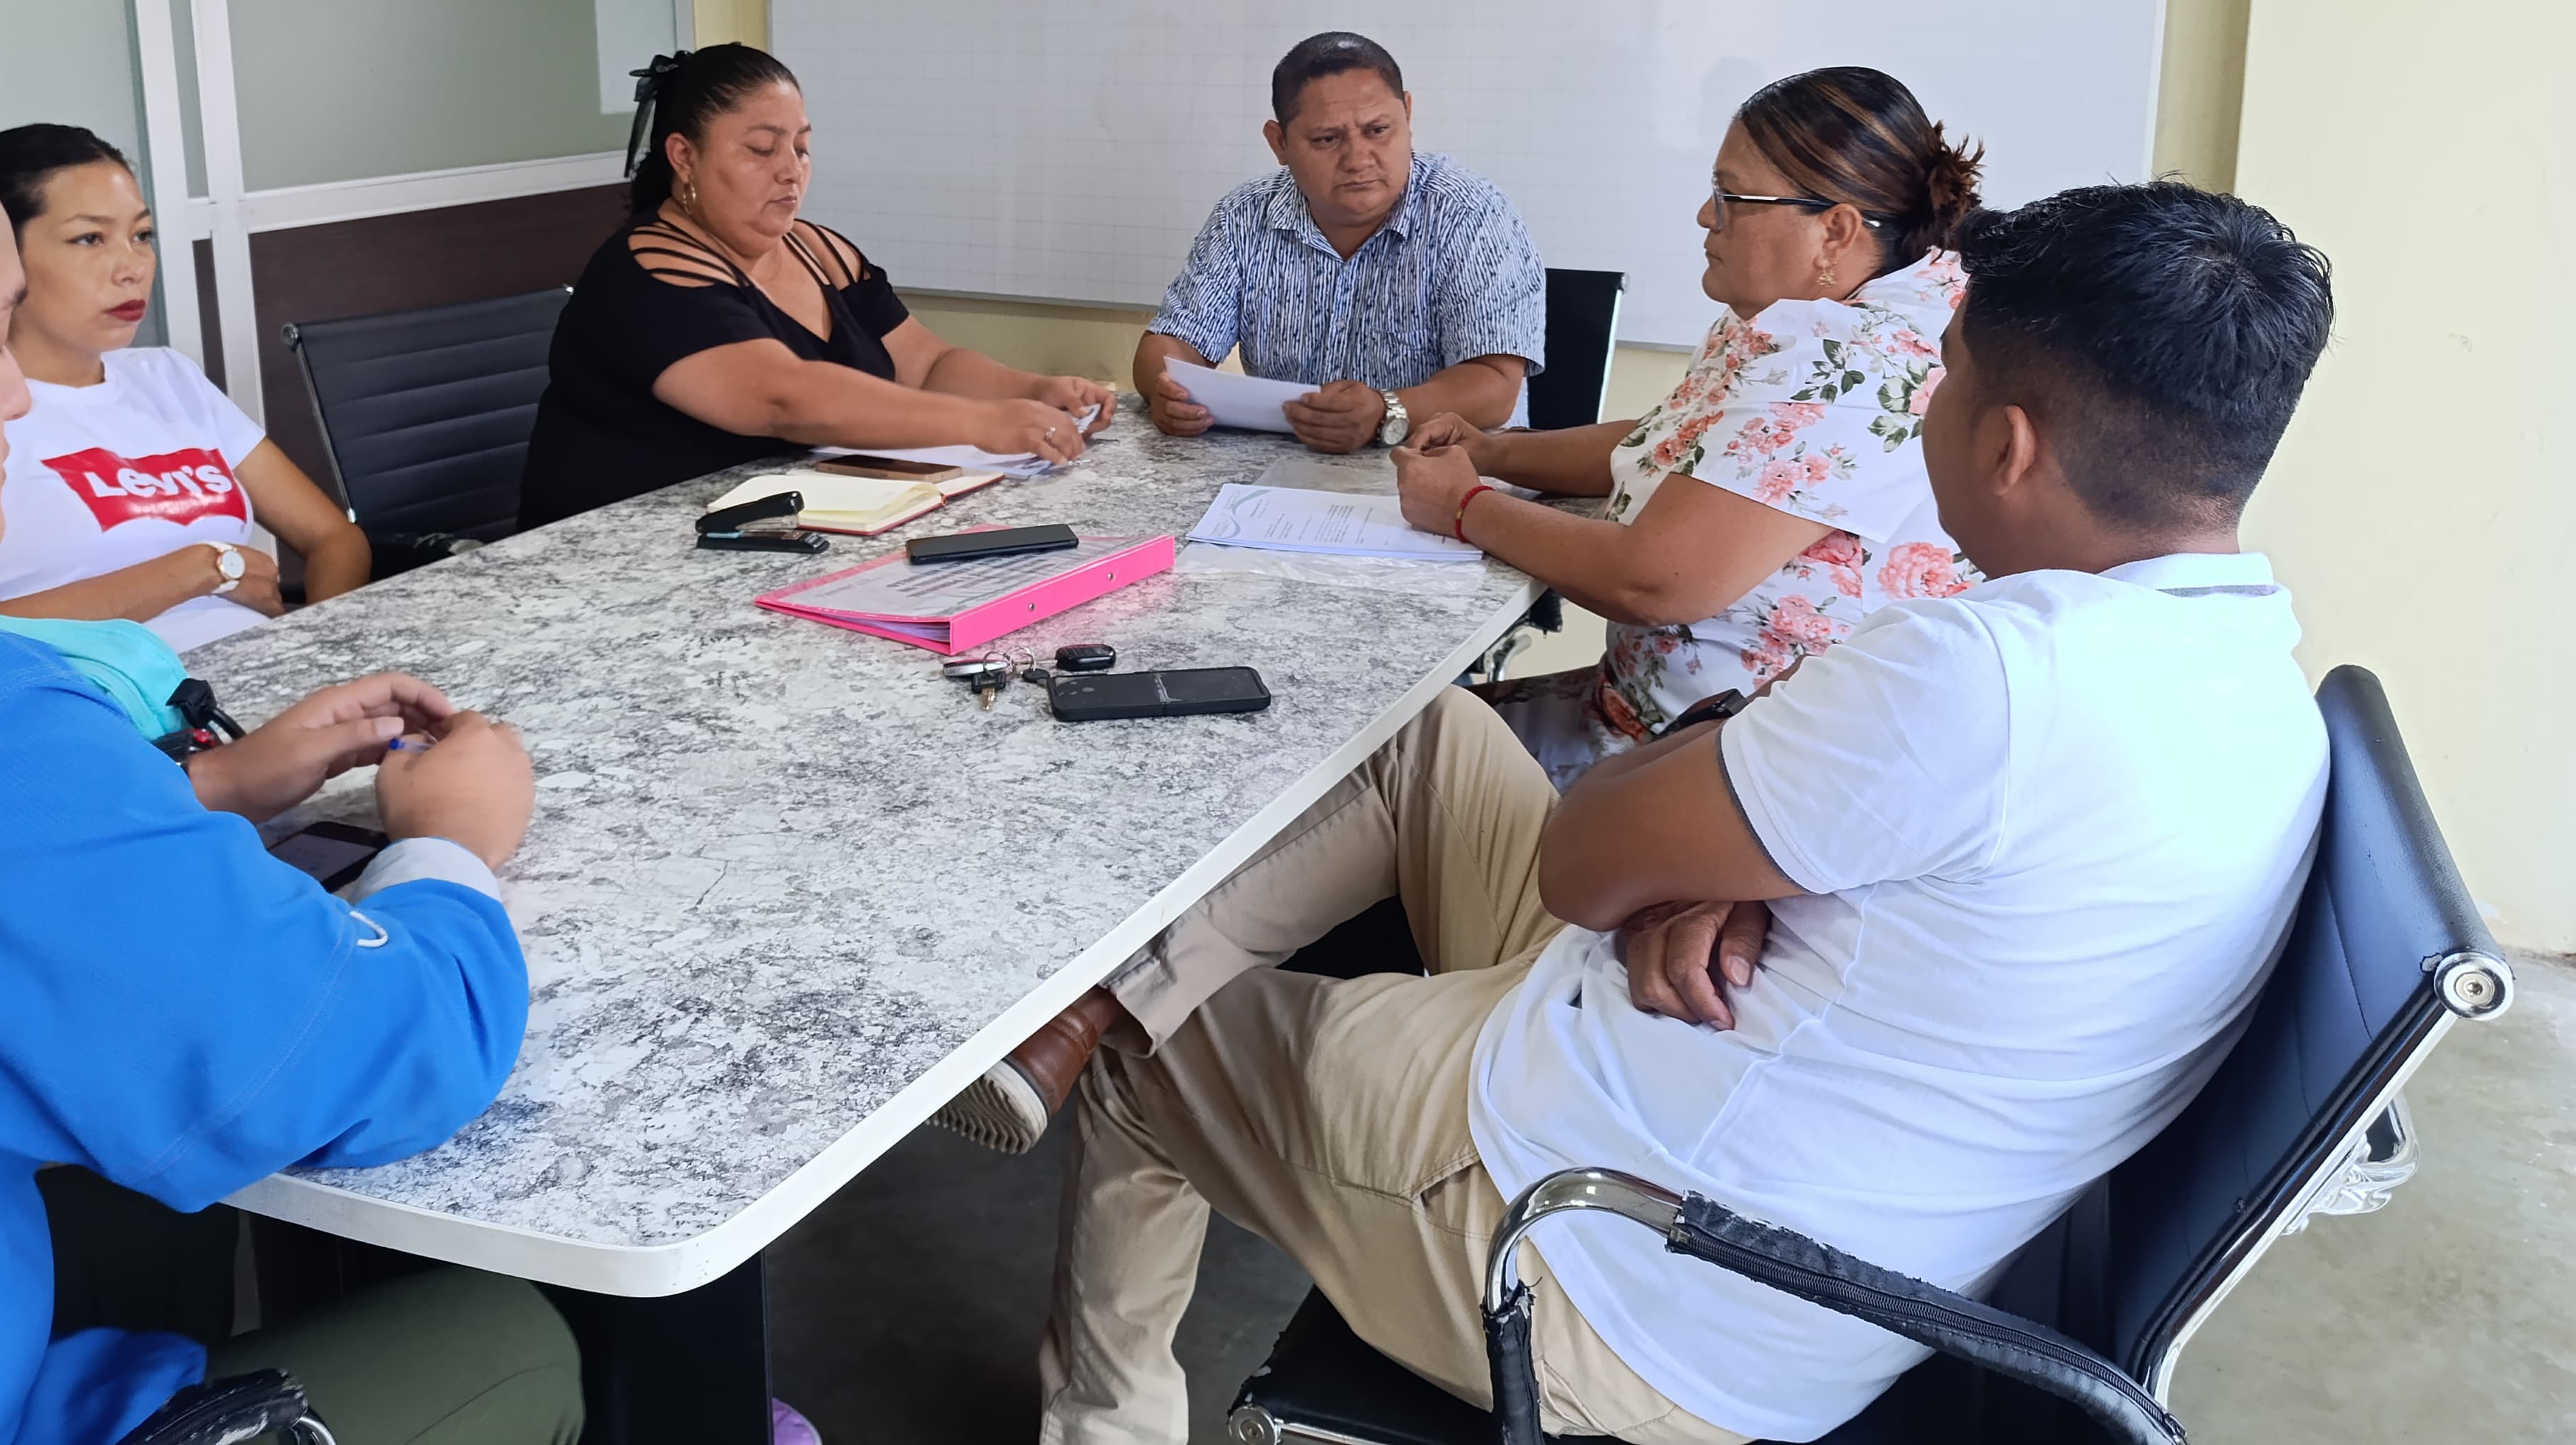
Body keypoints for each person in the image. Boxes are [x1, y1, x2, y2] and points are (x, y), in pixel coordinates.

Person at [958, 177, 2337, 1445]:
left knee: (1150, 1048)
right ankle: (1102, 997)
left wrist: (1698, 851)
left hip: (1601, 1254)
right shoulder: (2254, 683)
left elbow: (1580, 860)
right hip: (1734, 1145)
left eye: (1946, 379)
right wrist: (1726, 862)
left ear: (2010, 445)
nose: (1920, 408)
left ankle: (1099, 1147)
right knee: (1428, 737)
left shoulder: (1977, 678)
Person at [0, 60, 580, 1445]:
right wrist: (451, 841)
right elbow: (365, 1055)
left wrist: (205, 785)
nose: (15, 399)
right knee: (511, 1345)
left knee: (133, 1196)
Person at [1395, 67, 1982, 785]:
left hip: (1727, 770)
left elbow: (1655, 582)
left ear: (1835, 230)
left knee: (1388, 766)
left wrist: (1463, 507)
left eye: (1733, 198)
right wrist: (1494, 452)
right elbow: (1670, 441)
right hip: (1648, 713)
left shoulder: (1854, 362)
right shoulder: (1800, 320)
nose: (1707, 216)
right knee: (1397, 739)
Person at [518, 44, 1117, 527]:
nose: (791, 170)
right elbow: (784, 399)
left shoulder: (820, 251)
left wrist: (1032, 390)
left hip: (779, 535)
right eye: (761, 149)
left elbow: (927, 364)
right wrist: (981, 424)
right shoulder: (648, 268)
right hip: (618, 555)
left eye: (801, 148)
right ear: (683, 156)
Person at [0, 123, 370, 653]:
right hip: (106, 695)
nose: (132, 268)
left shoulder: (168, 376)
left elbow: (334, 538)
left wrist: (322, 648)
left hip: (263, 673)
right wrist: (201, 570)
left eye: (142, 235)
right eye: (89, 239)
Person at [1134, 32, 1546, 453]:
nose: (1358, 159)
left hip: (1442, 470)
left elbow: (1495, 385)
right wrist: (1168, 390)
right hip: (1285, 472)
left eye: (1378, 130)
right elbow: (1171, 344)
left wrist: (1387, 411)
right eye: (1328, 140)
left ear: (1407, 114)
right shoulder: (1244, 216)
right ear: (1280, 143)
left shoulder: (1471, 214)